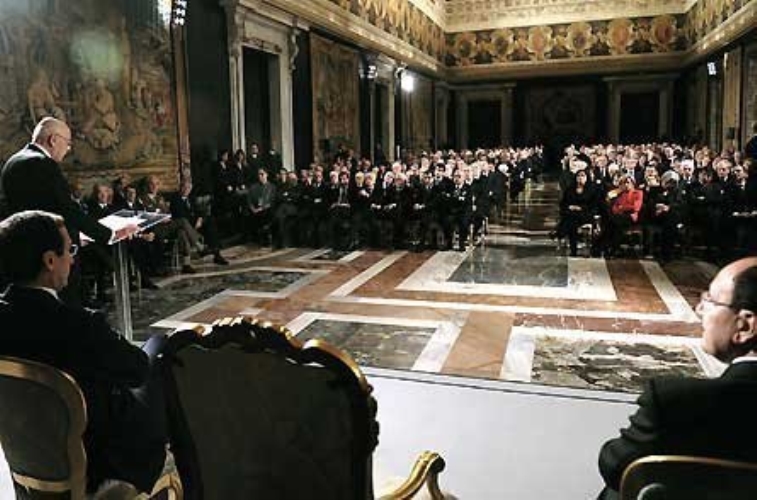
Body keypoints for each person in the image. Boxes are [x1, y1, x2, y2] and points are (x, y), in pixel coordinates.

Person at [0, 210, 167, 494]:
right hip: (97, 459)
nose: (73, 259)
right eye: (69, 250)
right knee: (159, 349)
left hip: (30, 454)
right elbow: (136, 370)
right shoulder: (79, 325)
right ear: (50, 260)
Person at [597, 257, 757, 500]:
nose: (699, 309)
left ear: (745, 326)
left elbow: (613, 463)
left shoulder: (675, 402)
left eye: (710, 301)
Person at [0, 118, 135, 304]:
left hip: (23, 252)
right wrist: (110, 234)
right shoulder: (43, 164)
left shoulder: (11, 163)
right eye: (68, 142)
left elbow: (36, 209)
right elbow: (68, 209)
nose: (68, 149)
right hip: (52, 256)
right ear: (53, 140)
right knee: (65, 307)